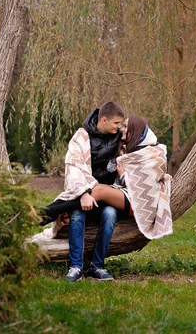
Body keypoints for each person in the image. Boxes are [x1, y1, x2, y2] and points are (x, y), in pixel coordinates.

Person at [40, 113, 173, 281]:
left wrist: (123, 176)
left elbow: (144, 184)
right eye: (121, 125)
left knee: (98, 190)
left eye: (125, 126)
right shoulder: (127, 149)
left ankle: (46, 213)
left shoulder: (154, 152)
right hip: (122, 196)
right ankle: (80, 266)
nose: (121, 129)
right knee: (95, 199)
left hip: (138, 203)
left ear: (135, 130)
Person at [45, 101, 126, 282]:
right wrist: (83, 193)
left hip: (109, 196)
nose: (119, 126)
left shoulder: (119, 137)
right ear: (103, 120)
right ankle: (76, 267)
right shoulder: (81, 137)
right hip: (84, 194)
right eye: (116, 123)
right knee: (77, 215)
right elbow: (74, 167)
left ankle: (97, 266)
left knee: (110, 214)